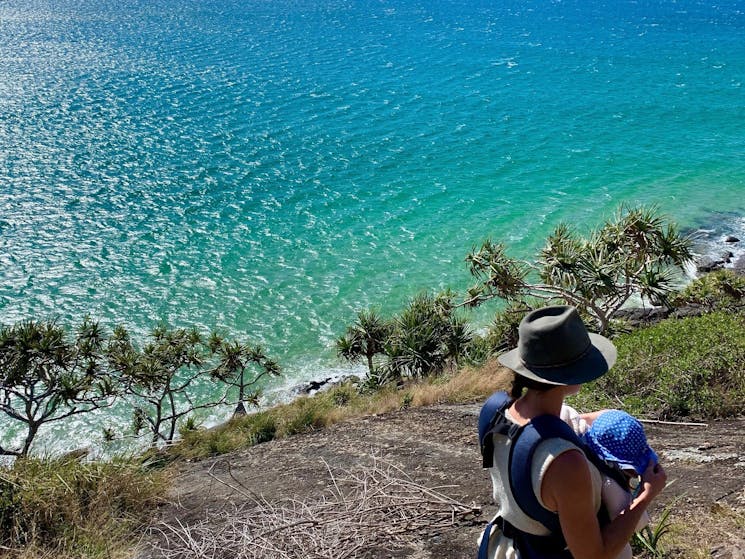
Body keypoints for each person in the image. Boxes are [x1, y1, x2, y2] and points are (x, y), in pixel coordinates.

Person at [481, 305, 667, 559]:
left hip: (509, 546)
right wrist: (645, 495)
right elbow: (594, 555)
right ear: (571, 374)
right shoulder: (565, 462)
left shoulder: (495, 412)